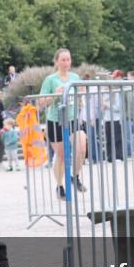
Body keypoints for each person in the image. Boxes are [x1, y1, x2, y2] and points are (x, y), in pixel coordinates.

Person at [40, 48, 89, 199]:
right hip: (55, 121)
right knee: (61, 156)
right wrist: (56, 94)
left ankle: (74, 177)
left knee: (81, 147)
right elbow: (41, 102)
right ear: (56, 62)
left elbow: (80, 96)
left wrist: (81, 93)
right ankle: (60, 186)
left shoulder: (74, 76)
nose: (66, 62)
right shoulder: (50, 79)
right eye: (63, 59)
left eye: (68, 59)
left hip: (73, 119)